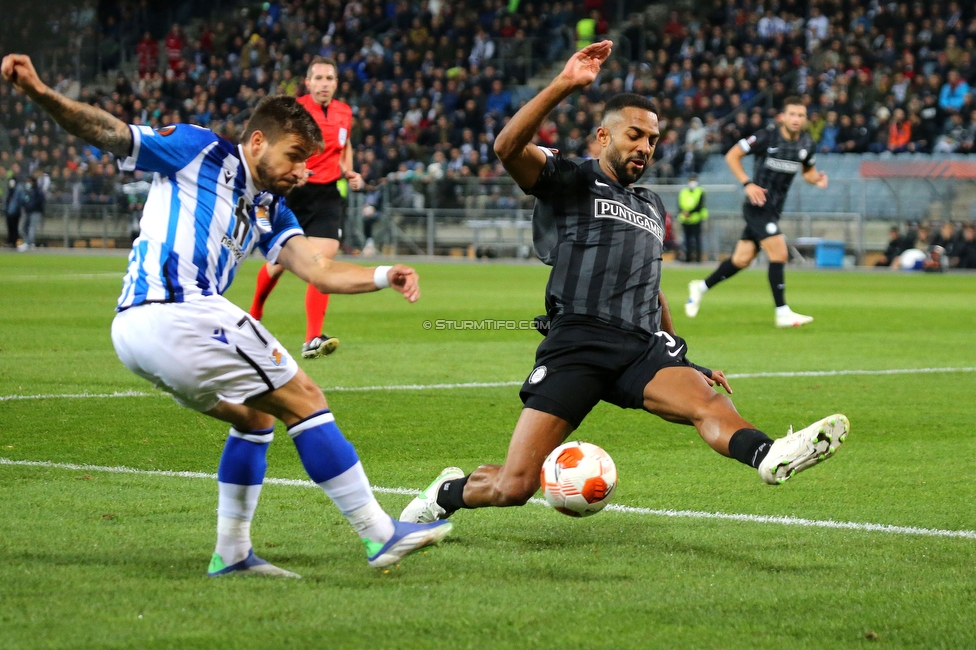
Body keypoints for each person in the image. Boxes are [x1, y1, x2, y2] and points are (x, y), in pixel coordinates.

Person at [1, 53, 451, 578]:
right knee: (305, 397)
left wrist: (383, 275)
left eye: (310, 161)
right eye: (295, 157)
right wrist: (37, 89)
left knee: (257, 418)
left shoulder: (268, 208)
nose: (303, 173)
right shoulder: (199, 150)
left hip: (144, 331)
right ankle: (379, 533)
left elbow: (318, 270)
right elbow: (112, 132)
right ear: (258, 141)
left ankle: (232, 553)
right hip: (174, 309)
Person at [399, 42, 849, 526]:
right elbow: (507, 148)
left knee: (707, 402)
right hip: (578, 343)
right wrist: (565, 83)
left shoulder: (652, 204)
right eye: (635, 135)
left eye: (653, 140)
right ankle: (448, 493)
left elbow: (651, 288)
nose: (645, 148)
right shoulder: (571, 179)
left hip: (639, 347)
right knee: (515, 485)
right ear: (603, 136)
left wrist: (682, 353)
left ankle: (769, 454)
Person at [249, 56, 364, 359]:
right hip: (295, 193)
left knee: (322, 264)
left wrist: (349, 171)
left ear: (336, 83)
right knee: (278, 265)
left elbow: (344, 145)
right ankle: (254, 313)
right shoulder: (294, 111)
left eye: (330, 78)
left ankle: (313, 337)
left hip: (327, 196)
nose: (324, 84)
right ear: (308, 82)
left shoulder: (344, 112)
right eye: (319, 78)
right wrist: (291, 171)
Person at [686, 97, 829, 328]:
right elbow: (732, 155)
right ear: (782, 116)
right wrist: (747, 184)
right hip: (757, 207)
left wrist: (818, 179)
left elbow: (808, 173)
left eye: (801, 115)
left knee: (741, 259)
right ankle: (782, 312)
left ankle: (700, 287)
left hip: (774, 210)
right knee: (779, 253)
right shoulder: (766, 137)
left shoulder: (806, 144)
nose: (796, 119)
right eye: (792, 114)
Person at [677, 174, 708, 262]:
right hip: (685, 219)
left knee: (697, 239)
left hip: (696, 219)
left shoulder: (700, 191)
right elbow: (679, 204)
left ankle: (698, 258)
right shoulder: (683, 192)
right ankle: (687, 258)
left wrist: (689, 212)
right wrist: (683, 212)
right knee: (686, 240)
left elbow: (700, 205)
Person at [4, 176, 24, 248]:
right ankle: (10, 241)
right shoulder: (10, 190)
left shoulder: (18, 189)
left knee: (15, 228)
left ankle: (14, 241)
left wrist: (17, 208)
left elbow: (21, 200)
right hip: (9, 212)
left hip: (15, 212)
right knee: (10, 228)